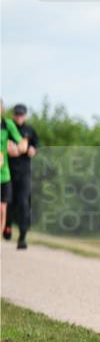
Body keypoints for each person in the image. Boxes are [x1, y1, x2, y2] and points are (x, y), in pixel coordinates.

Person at [4, 103, 40, 248]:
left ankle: (22, 237)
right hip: (8, 171)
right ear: (13, 115)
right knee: (8, 202)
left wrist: (33, 150)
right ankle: (7, 226)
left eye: (21, 114)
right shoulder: (6, 128)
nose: (19, 117)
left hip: (24, 173)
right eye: (16, 114)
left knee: (23, 203)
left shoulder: (30, 131)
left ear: (25, 115)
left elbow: (35, 146)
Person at [1, 100, 27, 245]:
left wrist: (18, 149)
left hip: (3, 174)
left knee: (2, 208)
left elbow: (21, 143)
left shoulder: (7, 125)